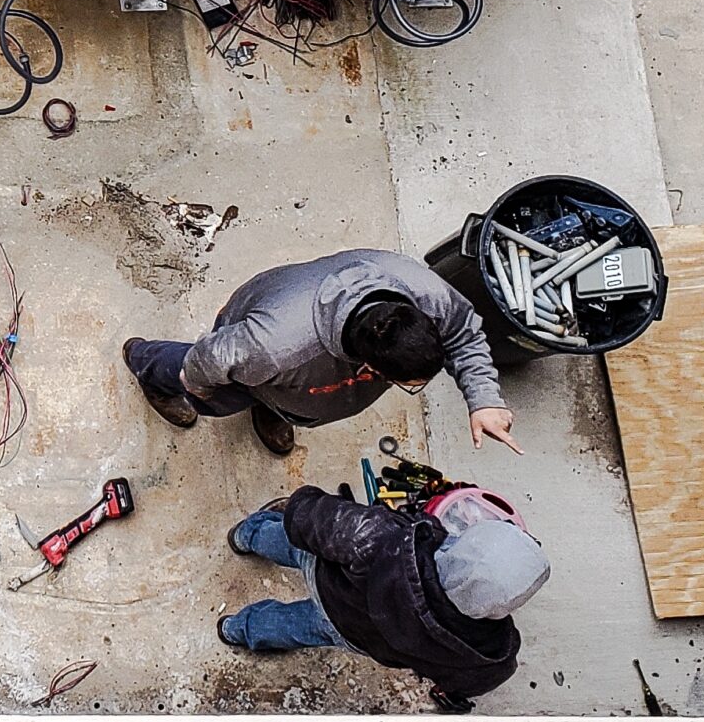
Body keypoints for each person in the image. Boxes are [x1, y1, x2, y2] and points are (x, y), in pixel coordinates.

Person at [121, 249, 518, 456]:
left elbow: (464, 333)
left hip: (284, 382)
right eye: (407, 384)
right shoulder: (273, 347)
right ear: (370, 368)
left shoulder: (424, 292)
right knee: (206, 388)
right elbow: (211, 359)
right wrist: (195, 386)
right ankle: (145, 363)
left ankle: (275, 406)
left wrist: (482, 398)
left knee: (276, 391)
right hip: (250, 367)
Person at [218, 487, 548, 712]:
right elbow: (461, 686)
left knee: (286, 541)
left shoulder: (384, 537)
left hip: (328, 580)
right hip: (352, 634)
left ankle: (246, 536)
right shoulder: (491, 655)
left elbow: (309, 518)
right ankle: (236, 630)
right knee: (295, 627)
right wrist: (450, 699)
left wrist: (303, 501)